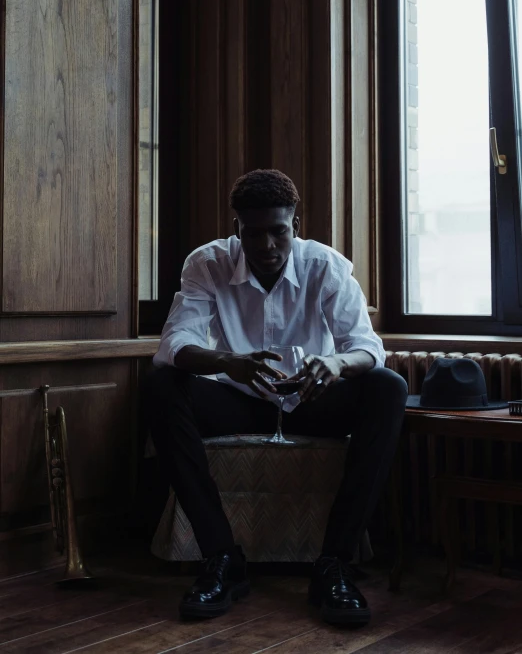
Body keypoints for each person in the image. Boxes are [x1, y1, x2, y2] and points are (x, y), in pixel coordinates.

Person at [147, 169, 407, 626]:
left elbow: (368, 347)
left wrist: (335, 365)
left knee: (389, 387)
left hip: (312, 398)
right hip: (239, 399)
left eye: (278, 232)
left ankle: (335, 565)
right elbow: (174, 344)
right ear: (237, 231)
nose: (267, 245)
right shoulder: (206, 263)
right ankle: (222, 559)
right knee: (162, 385)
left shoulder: (325, 265)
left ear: (296, 228)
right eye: (253, 233)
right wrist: (227, 361)